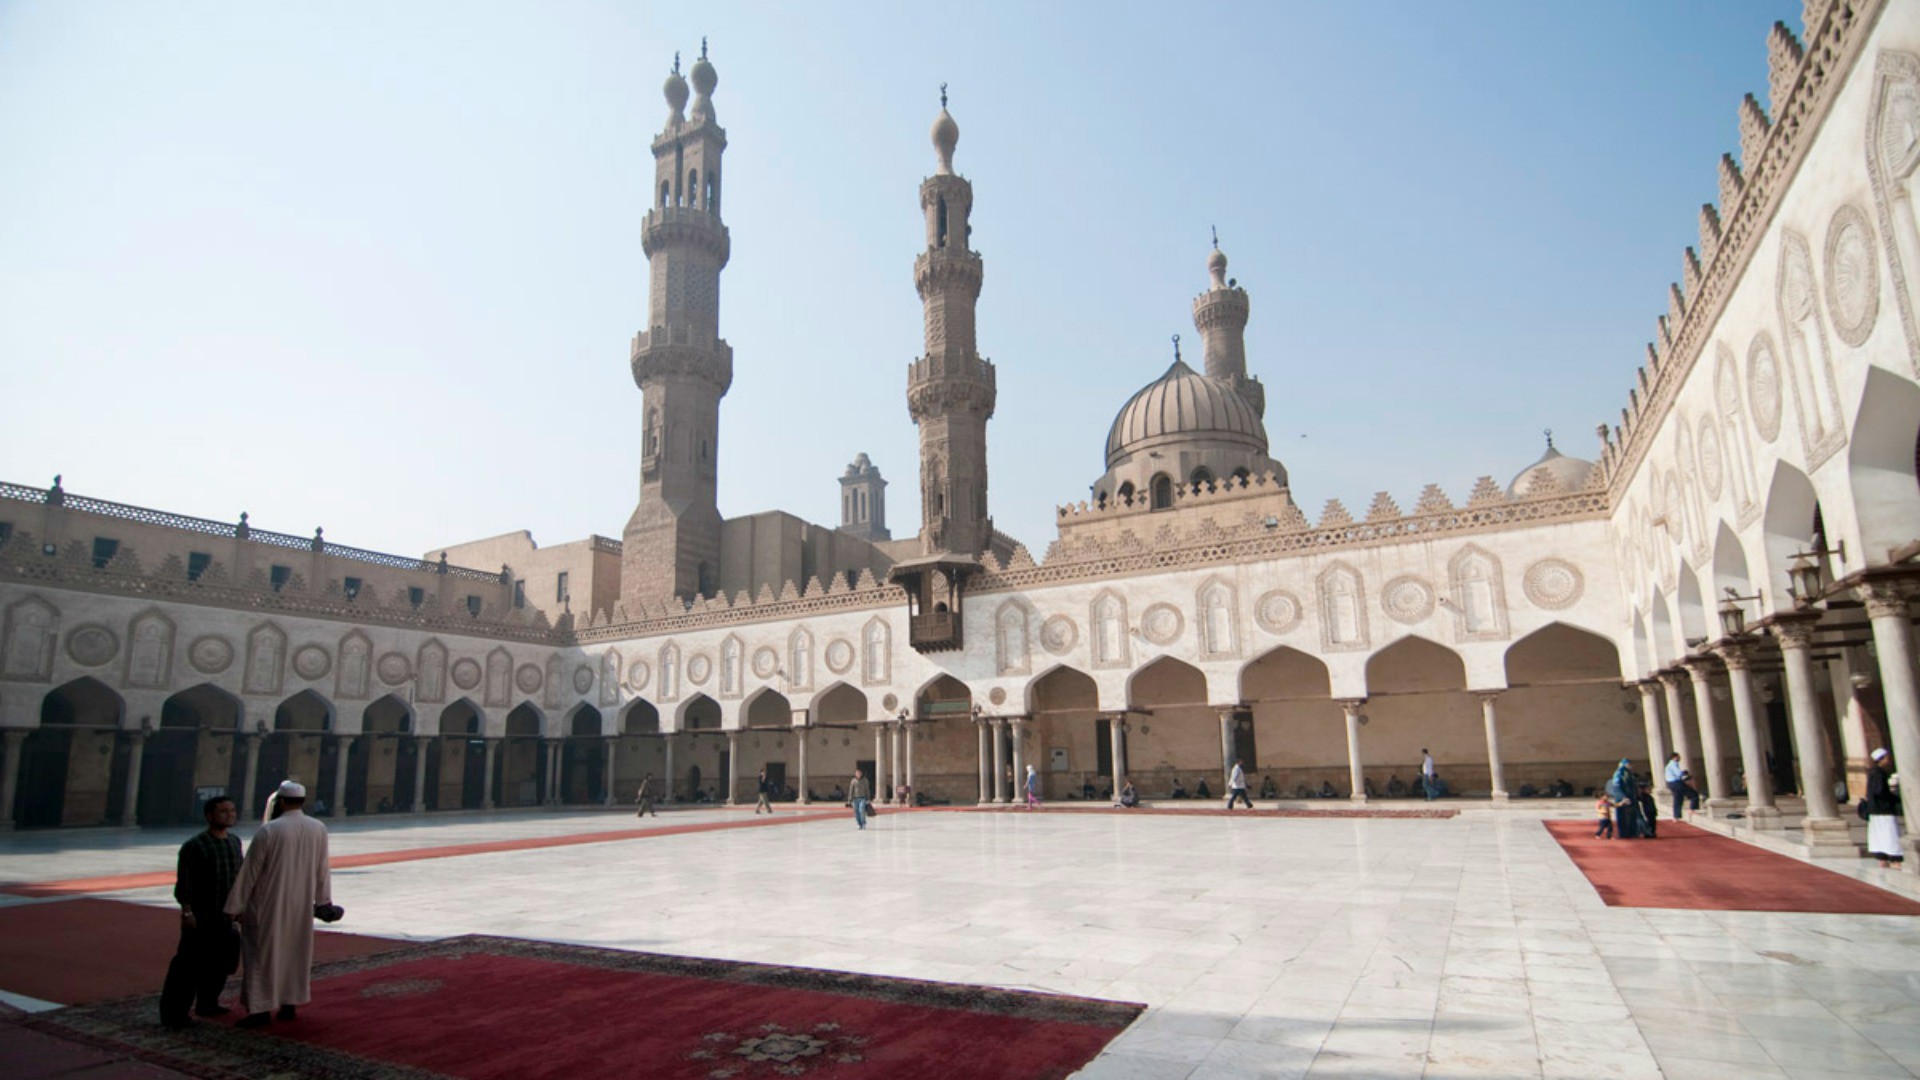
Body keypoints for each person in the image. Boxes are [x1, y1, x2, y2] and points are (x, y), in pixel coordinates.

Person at [224, 781, 332, 1028]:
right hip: (300, 904)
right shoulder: (318, 828)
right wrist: (323, 901)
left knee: (261, 955)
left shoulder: (269, 830)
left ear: (281, 802)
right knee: (295, 952)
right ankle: (289, 1004)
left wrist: (234, 907)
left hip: (268, 902)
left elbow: (250, 871)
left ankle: (260, 1010)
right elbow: (322, 869)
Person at [160, 796, 243, 1029]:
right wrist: (187, 912)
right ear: (209, 816)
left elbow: (239, 878)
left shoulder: (234, 842)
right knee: (188, 966)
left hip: (225, 915)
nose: (230, 815)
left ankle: (208, 1002)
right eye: (223, 811)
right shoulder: (195, 845)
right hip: (202, 915)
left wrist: (240, 907)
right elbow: (184, 884)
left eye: (232, 810)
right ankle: (174, 1014)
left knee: (220, 963)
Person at [1867, 748, 1905, 868]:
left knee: (1879, 835)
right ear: (1881, 759)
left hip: (1875, 809)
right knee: (1890, 834)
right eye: (1887, 758)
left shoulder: (1873, 772)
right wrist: (1893, 799)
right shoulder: (1879, 773)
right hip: (1883, 810)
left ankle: (1882, 858)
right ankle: (1895, 859)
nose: (1888, 760)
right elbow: (1880, 791)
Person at [1605, 759, 1641, 839]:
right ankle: (1624, 833)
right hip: (1623, 799)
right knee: (1624, 817)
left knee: (1631, 816)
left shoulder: (1628, 773)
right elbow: (1617, 787)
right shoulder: (1620, 773)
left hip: (1630, 797)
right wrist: (1623, 797)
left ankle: (1632, 832)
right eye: (1629, 764)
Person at [1664, 753, 1699, 821]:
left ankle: (1676, 816)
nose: (1679, 758)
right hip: (1676, 783)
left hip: (1671, 783)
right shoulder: (1673, 764)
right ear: (1674, 757)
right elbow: (1679, 774)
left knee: (1678, 798)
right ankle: (1692, 809)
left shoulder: (1668, 765)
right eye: (1678, 757)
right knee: (1694, 795)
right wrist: (1685, 773)